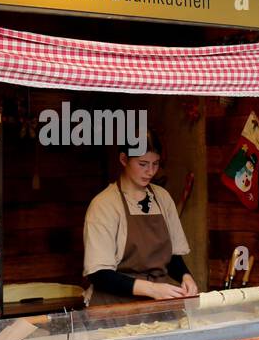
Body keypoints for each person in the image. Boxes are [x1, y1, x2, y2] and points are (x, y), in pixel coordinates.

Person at [83, 131, 199, 305]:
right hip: (112, 308)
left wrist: (186, 276)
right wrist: (152, 289)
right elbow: (99, 275)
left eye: (155, 164)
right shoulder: (103, 205)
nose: (150, 171)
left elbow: (172, 256)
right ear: (124, 159)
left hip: (156, 305)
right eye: (143, 164)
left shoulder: (163, 198)